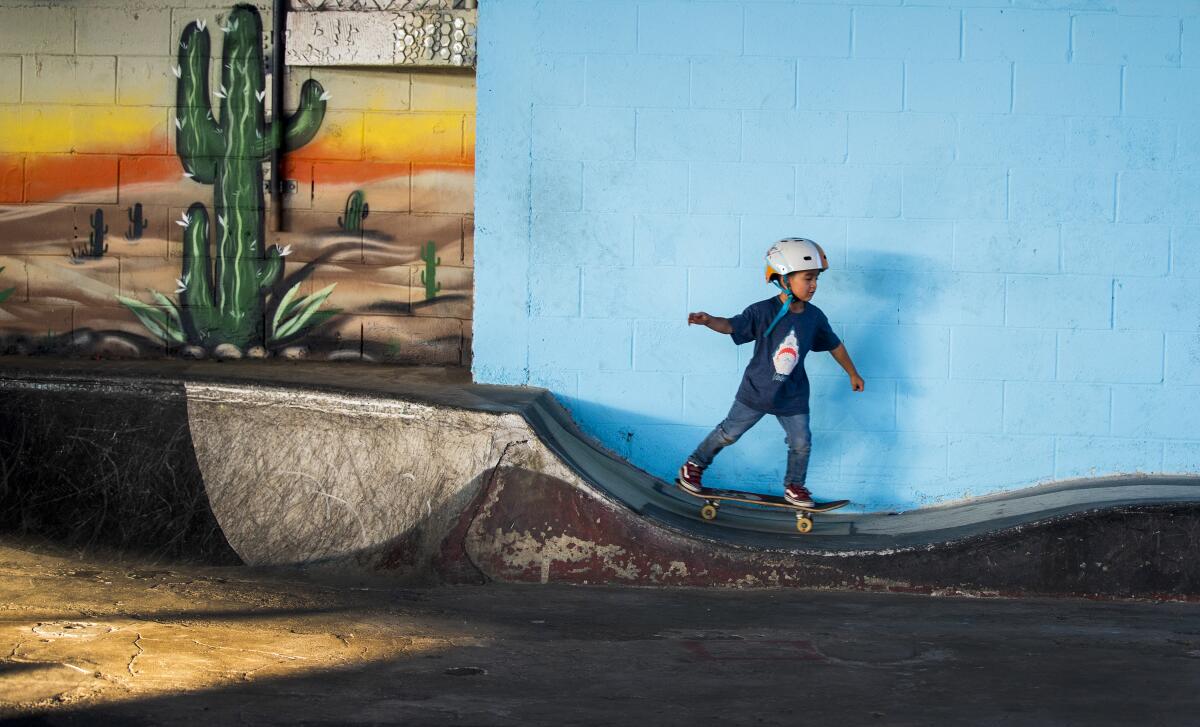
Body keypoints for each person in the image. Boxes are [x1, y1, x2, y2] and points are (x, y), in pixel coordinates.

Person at [677, 238, 864, 507]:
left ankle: (794, 486)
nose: (814, 285)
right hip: (757, 390)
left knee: (801, 442)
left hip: (793, 394)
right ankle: (694, 465)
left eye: (816, 279)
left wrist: (852, 373)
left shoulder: (815, 317)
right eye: (808, 278)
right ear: (784, 278)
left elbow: (835, 345)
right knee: (728, 433)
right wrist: (708, 321)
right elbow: (731, 325)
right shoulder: (762, 311)